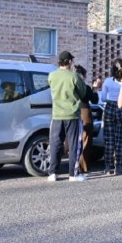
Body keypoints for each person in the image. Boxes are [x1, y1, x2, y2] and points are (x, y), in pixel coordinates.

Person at [47, 51, 88, 182]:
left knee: (55, 143)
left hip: (57, 114)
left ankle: (52, 172)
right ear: (69, 62)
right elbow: (83, 93)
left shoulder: (52, 76)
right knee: (74, 144)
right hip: (72, 114)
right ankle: (73, 174)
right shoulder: (74, 76)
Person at [100, 59, 122, 175]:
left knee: (109, 138)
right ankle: (119, 165)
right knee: (120, 138)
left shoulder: (107, 81)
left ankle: (107, 166)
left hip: (109, 108)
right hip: (121, 108)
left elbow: (103, 98)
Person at [75, 65, 99, 174]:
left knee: (75, 140)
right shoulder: (85, 87)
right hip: (84, 112)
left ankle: (74, 165)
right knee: (86, 139)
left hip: (73, 112)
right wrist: (95, 88)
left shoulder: (71, 87)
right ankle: (83, 166)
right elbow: (94, 100)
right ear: (84, 76)